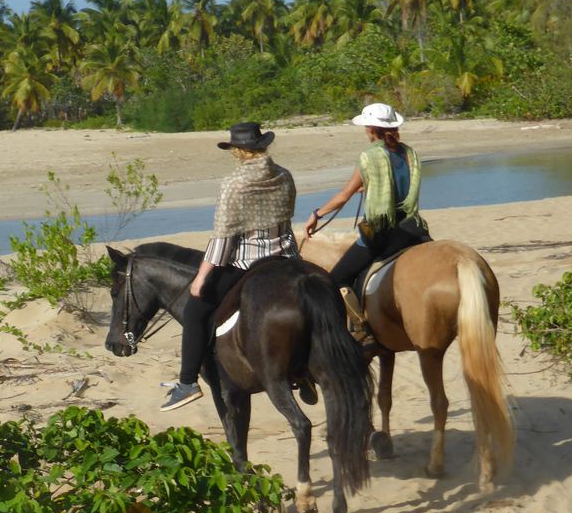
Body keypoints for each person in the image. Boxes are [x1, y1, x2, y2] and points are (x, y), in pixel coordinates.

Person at [161, 122, 299, 411]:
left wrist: (201, 277)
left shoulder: (233, 184)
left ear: (237, 150)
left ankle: (187, 383)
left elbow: (223, 238)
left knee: (195, 309)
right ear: (263, 146)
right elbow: (286, 219)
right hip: (286, 259)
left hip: (247, 264)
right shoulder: (285, 175)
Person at [303, 103, 427, 338]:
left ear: (370, 128)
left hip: (381, 231)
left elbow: (342, 197)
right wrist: (369, 186)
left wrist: (316, 215)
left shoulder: (369, 157)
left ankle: (359, 327)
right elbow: (397, 186)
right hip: (412, 227)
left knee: (335, 279)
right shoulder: (410, 153)